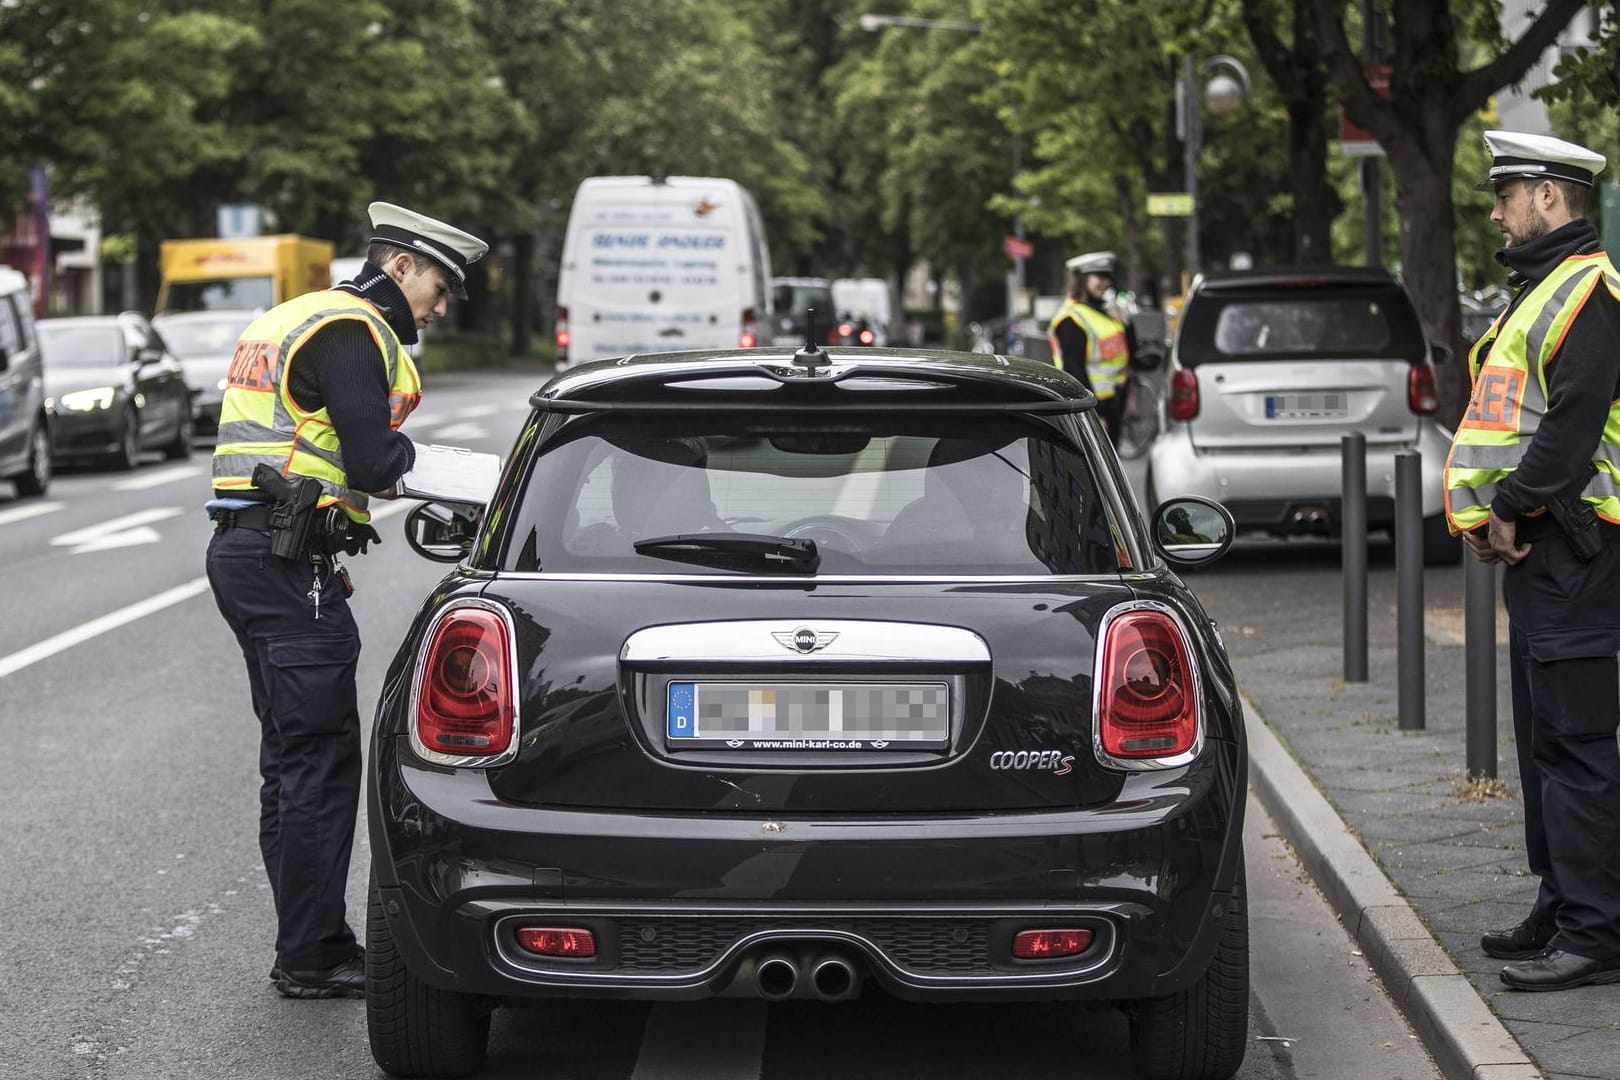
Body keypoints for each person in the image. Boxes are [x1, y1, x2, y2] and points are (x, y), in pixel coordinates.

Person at [205, 202, 487, 999]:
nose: (443, 303)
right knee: (321, 763)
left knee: (290, 761)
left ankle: (307, 941)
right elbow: (371, 459)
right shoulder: (354, 330)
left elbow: (303, 447)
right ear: (400, 266)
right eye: (439, 284)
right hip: (286, 562)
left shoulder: (294, 316)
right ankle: (313, 955)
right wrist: (484, 483)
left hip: (253, 552)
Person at [1444, 130, 1620, 992]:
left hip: (1575, 547)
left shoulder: (1588, 291)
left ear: (1550, 195)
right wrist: (1489, 516)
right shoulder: (1544, 289)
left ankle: (1597, 931)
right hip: (1542, 551)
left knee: (1580, 744)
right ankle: (1561, 903)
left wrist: (1508, 507)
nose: (1495, 210)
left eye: (1506, 193)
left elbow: (1571, 432)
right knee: (1547, 739)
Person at [1047, 251, 1131, 445]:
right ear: (1082, 279)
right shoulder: (1072, 319)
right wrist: (1092, 414)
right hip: (1093, 409)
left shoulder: (1104, 313)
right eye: (1098, 277)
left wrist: (1127, 323)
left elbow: (1126, 353)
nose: (1105, 283)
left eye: (1107, 277)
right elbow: (1075, 369)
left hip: (1113, 405)